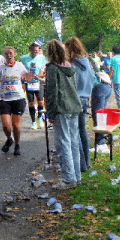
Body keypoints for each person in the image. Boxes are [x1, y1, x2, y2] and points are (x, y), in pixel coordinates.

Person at [44, 39, 82, 190]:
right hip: (74, 106)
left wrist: (51, 112)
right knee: (73, 142)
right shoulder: (70, 66)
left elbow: (52, 91)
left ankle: (68, 179)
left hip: (62, 108)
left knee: (63, 144)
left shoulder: (52, 68)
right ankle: (76, 176)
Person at [0, 46, 30, 156]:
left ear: (14, 54)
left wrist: (31, 75)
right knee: (6, 126)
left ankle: (17, 145)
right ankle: (9, 139)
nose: (9, 55)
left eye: (10, 53)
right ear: (4, 56)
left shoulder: (19, 65)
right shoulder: (0, 67)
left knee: (15, 125)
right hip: (5, 100)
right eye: (6, 54)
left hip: (18, 99)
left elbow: (27, 76)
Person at [64, 38, 95, 173]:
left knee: (75, 133)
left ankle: (81, 164)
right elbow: (93, 78)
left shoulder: (71, 65)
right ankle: (86, 162)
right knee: (82, 132)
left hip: (75, 99)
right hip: (84, 98)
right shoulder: (86, 61)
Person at [20, 41, 46, 130]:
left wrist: (39, 76)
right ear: (30, 50)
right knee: (31, 102)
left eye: (38, 50)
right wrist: (24, 79)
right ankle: (33, 121)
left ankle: (39, 118)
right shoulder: (24, 58)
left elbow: (44, 70)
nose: (36, 52)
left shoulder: (42, 58)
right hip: (29, 82)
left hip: (38, 81)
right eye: (35, 51)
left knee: (40, 101)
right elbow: (21, 70)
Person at [90, 52, 113, 145]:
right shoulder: (91, 62)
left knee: (98, 115)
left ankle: (100, 142)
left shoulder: (83, 64)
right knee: (100, 114)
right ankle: (100, 140)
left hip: (99, 88)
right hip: (106, 86)